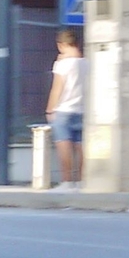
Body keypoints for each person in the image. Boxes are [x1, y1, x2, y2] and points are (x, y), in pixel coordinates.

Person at [45, 29, 86, 187]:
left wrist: (50, 109)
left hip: (64, 110)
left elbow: (57, 88)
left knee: (64, 146)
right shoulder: (87, 63)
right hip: (83, 110)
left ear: (61, 45)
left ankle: (67, 182)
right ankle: (82, 181)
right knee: (81, 147)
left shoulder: (62, 64)